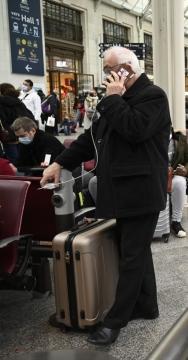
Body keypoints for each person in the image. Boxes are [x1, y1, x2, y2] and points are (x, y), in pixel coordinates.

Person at [41, 46, 171, 346]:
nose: (106, 75)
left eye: (109, 69)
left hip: (141, 192)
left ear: (126, 69)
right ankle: (146, 305)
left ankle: (114, 322)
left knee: (132, 257)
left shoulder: (153, 96)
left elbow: (135, 129)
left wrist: (113, 98)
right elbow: (90, 139)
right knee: (133, 253)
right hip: (121, 190)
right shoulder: (116, 99)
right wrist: (61, 163)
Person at [169, 127, 188, 238]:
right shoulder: (149, 137)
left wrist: (186, 170)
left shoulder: (179, 139)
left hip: (173, 174)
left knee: (180, 182)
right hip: (154, 175)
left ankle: (176, 222)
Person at [0, 87, 35, 163]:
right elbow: (30, 116)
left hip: (8, 136)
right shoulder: (19, 103)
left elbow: (2, 120)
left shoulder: (1, 104)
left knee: (14, 160)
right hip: (22, 134)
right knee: (21, 157)